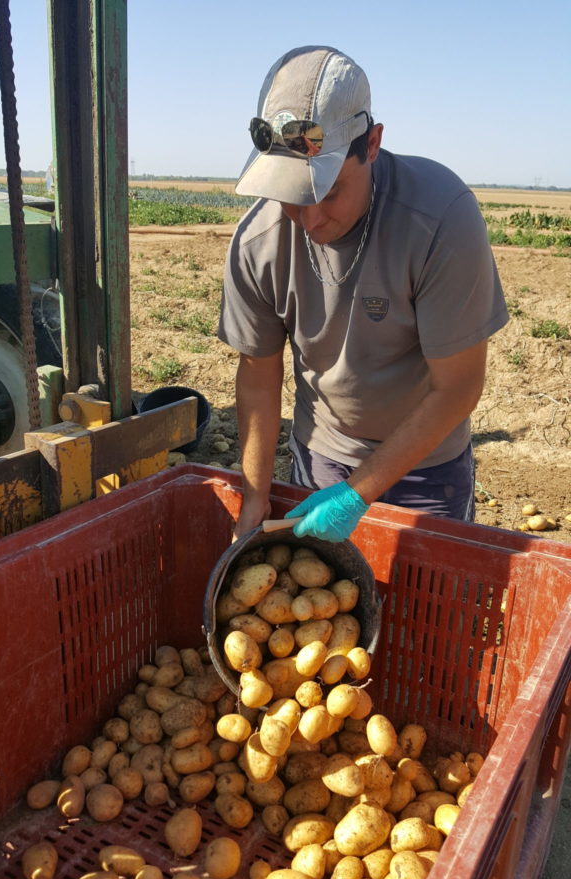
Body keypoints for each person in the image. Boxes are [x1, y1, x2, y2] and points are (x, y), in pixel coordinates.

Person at [218, 45, 509, 542]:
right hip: (323, 452)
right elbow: (259, 380)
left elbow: (458, 388)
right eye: (293, 194)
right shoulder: (258, 243)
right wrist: (256, 494)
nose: (309, 219)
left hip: (427, 465)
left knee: (427, 606)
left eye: (328, 192)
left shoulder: (439, 218)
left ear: (371, 144)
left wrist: (359, 494)